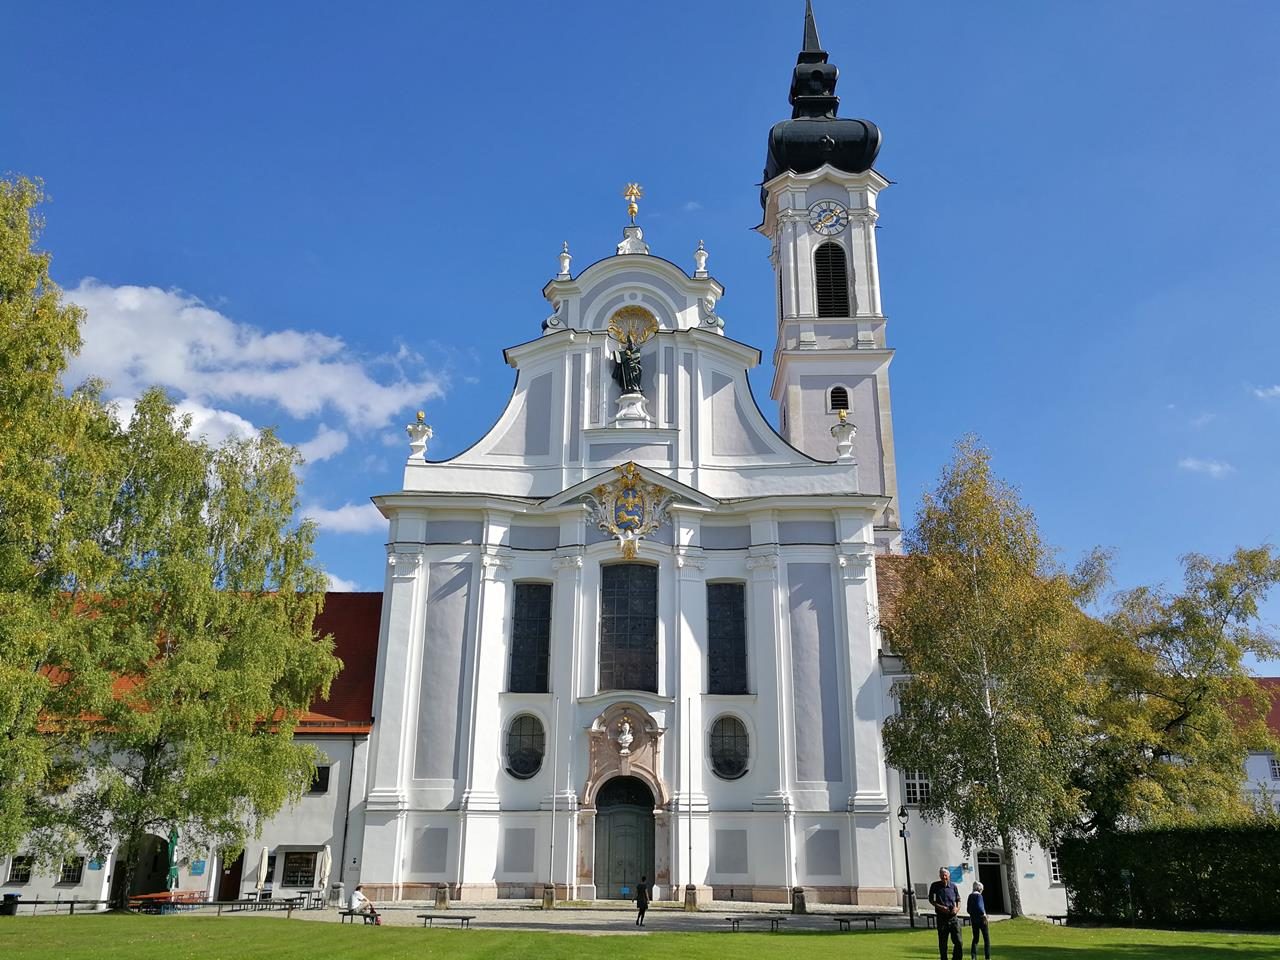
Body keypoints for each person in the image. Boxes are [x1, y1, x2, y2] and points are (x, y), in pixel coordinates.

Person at [928, 866, 963, 960]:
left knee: (958, 941)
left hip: (953, 917)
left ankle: (956, 958)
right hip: (942, 917)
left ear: (949, 875)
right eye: (942, 875)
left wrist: (957, 908)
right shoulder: (935, 886)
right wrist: (940, 907)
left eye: (945, 875)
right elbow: (931, 900)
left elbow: (958, 899)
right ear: (939, 876)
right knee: (943, 942)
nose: (944, 877)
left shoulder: (953, 886)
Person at [967, 881, 990, 960]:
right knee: (986, 939)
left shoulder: (970, 896)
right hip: (981, 919)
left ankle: (973, 957)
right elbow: (980, 907)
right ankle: (987, 957)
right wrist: (984, 916)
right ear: (979, 889)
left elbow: (968, 909)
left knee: (975, 939)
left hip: (974, 919)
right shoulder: (979, 896)